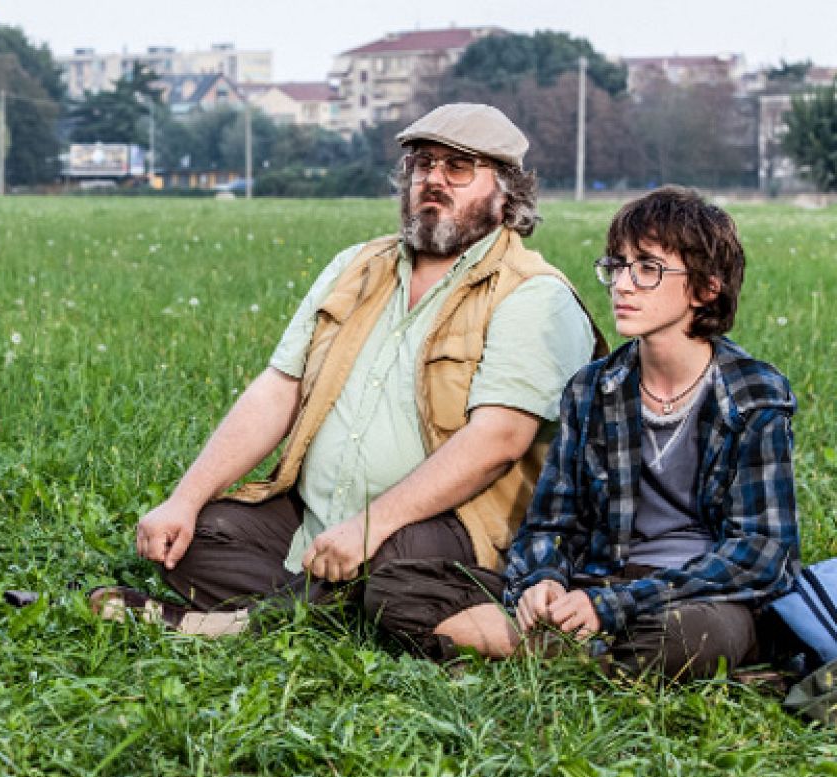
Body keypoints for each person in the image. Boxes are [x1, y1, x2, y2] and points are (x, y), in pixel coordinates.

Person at [93, 103, 602, 637]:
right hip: (321, 517)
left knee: (394, 571)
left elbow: (498, 440)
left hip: (449, 529)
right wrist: (185, 499)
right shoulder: (357, 266)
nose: (433, 180)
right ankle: (342, 610)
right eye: (423, 164)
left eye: (459, 167)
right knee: (191, 539)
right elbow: (279, 388)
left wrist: (370, 527)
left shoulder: (532, 293)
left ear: (506, 193)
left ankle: (228, 623)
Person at [364, 186, 800, 679]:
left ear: (706, 288)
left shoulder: (754, 393)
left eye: (648, 269)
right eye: (618, 266)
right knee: (395, 587)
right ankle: (579, 655)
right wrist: (541, 581)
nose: (622, 285)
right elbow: (550, 524)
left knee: (693, 638)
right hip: (593, 581)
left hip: (692, 597)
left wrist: (613, 605)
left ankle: (534, 651)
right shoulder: (593, 388)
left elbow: (762, 553)